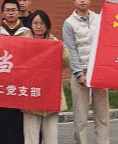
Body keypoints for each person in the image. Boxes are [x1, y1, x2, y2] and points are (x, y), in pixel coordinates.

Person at [61, 0, 107, 144]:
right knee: (80, 117)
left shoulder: (99, 19)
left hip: (98, 73)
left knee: (102, 115)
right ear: (73, 1)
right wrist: (78, 73)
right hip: (80, 73)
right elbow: (71, 50)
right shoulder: (69, 23)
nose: (82, 0)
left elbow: (105, 43)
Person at [22, 12, 68, 144]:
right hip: (31, 96)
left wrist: (59, 51)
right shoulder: (23, 42)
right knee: (31, 138)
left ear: (47, 25)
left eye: (42, 23)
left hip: (50, 95)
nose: (38, 27)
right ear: (30, 25)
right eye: (35, 23)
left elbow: (66, 62)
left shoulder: (55, 42)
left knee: (51, 137)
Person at [0, 0, 30, 144]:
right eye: (7, 10)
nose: (11, 13)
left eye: (13, 10)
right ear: (3, 13)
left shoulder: (28, 33)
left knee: (19, 126)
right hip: (3, 87)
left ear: (19, 12)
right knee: (4, 126)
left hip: (21, 86)